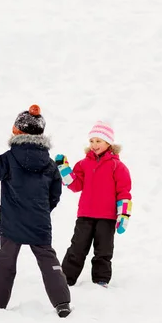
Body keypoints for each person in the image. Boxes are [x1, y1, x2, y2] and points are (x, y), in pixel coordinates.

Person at [0, 105, 72, 318]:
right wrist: (44, 209)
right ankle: (62, 303)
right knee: (48, 261)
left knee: (5, 262)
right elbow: (55, 193)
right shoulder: (48, 162)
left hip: (12, 221)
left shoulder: (9, 158)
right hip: (39, 221)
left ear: (17, 131)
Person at [55, 120, 132, 288]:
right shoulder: (84, 164)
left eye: (99, 141)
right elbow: (75, 185)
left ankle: (101, 280)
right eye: (91, 141)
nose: (94, 145)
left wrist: (123, 215)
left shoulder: (117, 166)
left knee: (103, 250)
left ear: (108, 143)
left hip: (107, 217)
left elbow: (124, 193)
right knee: (77, 247)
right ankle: (66, 278)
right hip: (85, 215)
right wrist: (64, 170)